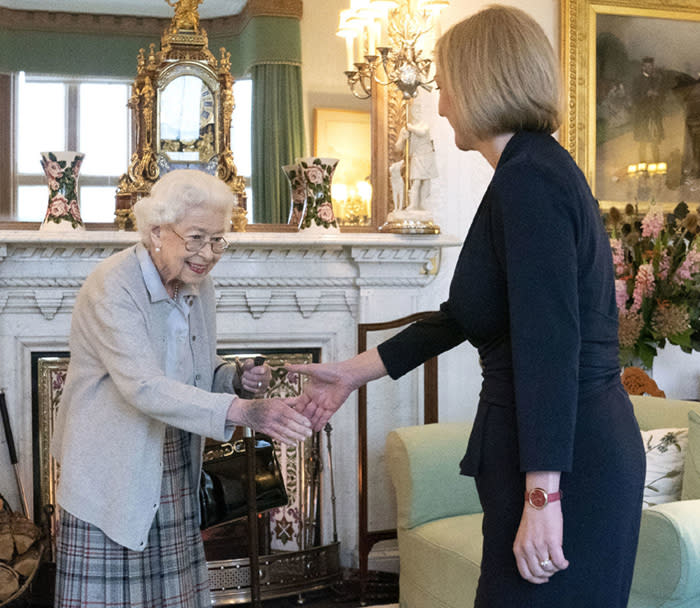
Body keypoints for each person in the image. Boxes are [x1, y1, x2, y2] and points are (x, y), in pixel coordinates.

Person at [288, 6, 645, 607]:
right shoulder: (525, 171)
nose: (443, 101)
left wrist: (543, 496)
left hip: (570, 461)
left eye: (446, 82)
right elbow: (466, 314)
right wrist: (352, 372)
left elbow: (549, 344)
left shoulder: (530, 178)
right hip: (556, 453)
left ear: (483, 81)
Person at [51, 169, 312, 608]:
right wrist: (244, 412)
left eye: (217, 240)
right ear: (157, 231)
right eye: (195, 238)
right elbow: (144, 387)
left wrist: (234, 377)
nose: (207, 253)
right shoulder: (112, 286)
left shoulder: (197, 286)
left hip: (171, 459)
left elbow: (196, 367)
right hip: (112, 468)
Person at [632, 56, 666, 162]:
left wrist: (658, 95)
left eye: (650, 66)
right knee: (643, 142)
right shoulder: (637, 80)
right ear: (642, 67)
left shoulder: (657, 79)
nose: (649, 68)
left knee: (655, 141)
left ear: (653, 66)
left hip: (654, 114)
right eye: (646, 66)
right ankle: (642, 166)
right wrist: (646, 94)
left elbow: (663, 97)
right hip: (642, 116)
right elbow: (634, 98)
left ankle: (657, 164)